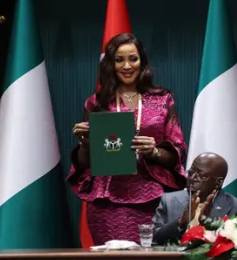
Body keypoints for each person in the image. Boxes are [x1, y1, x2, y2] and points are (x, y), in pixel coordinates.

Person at [68, 33, 187, 246]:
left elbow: (178, 153)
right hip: (107, 202)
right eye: (119, 60)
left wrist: (154, 152)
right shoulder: (96, 102)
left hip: (153, 199)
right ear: (110, 64)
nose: (127, 66)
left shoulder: (162, 99)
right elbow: (86, 163)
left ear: (142, 61)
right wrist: (85, 144)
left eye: (133, 58)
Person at [152, 152, 237, 244]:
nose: (192, 179)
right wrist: (181, 222)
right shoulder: (169, 200)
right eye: (191, 173)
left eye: (201, 176)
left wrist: (207, 223)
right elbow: (154, 237)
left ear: (218, 183)